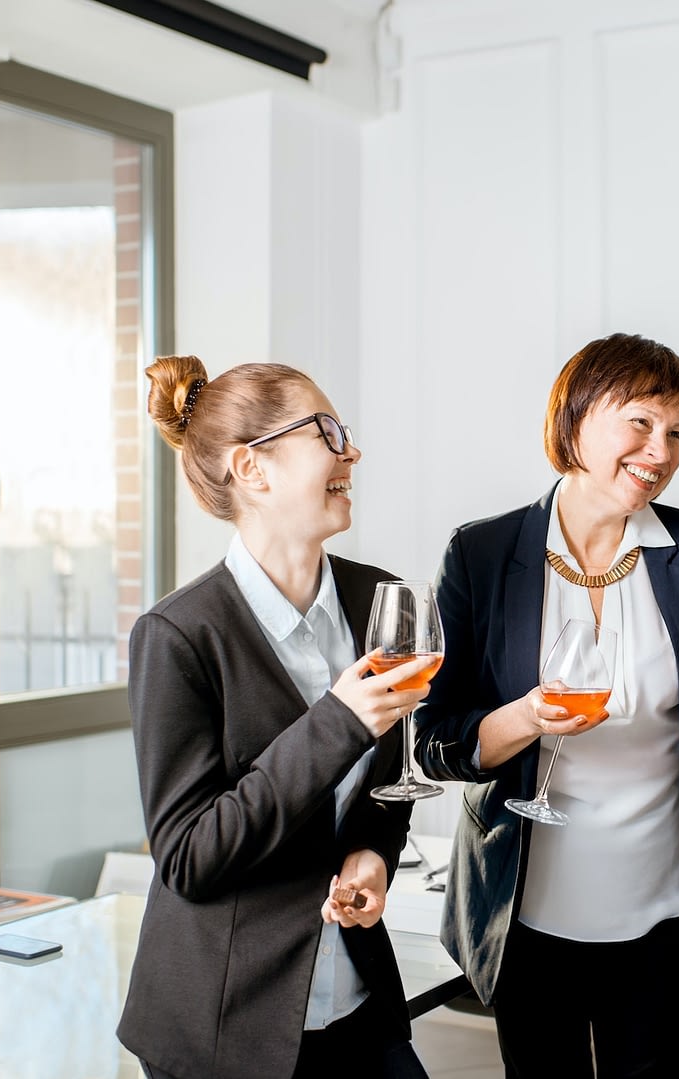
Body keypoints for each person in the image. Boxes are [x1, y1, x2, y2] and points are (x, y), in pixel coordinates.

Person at [414, 332, 679, 1078]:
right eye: (639, 422)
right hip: (526, 911)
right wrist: (527, 717)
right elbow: (435, 740)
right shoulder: (480, 553)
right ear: (574, 418)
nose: (658, 451)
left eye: (676, 433)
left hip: (660, 906)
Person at [119, 356, 435, 1079]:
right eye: (326, 431)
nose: (350, 450)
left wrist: (374, 856)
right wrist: (338, 721)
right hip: (225, 1025)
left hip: (358, 1002)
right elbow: (190, 857)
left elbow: (385, 790)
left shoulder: (378, 600)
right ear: (252, 469)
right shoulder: (176, 636)